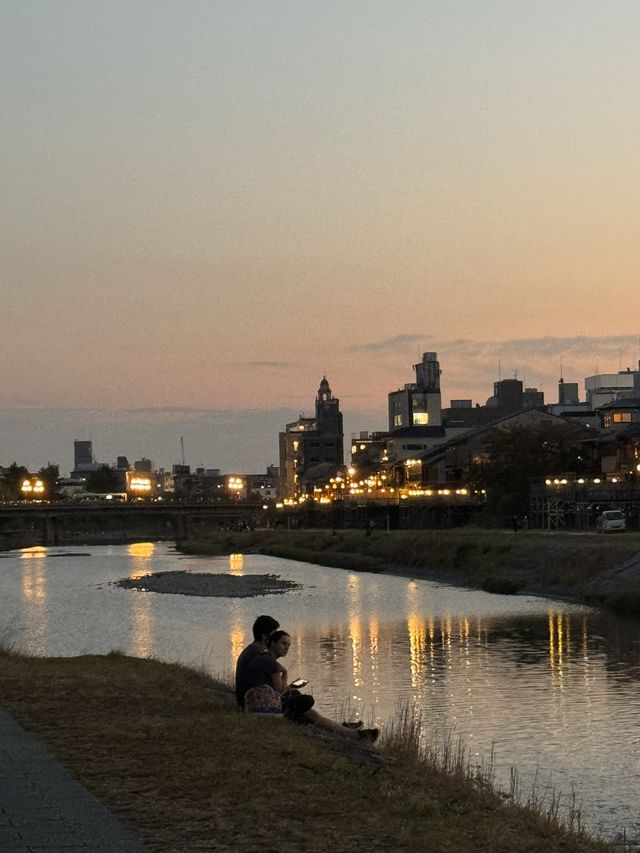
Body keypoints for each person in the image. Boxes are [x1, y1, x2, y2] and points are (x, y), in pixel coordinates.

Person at [244, 629, 379, 742]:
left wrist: (290, 687)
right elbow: (279, 692)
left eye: (289, 645)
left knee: (301, 706)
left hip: (255, 703)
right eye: (283, 643)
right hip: (263, 707)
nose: (286, 648)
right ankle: (348, 732)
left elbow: (275, 690)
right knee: (307, 701)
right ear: (272, 643)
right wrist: (284, 674)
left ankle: (344, 731)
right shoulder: (271, 663)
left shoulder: (264, 658)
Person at [235, 614, 280, 708]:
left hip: (244, 700)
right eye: (273, 636)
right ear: (264, 637)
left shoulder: (248, 651)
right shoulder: (262, 656)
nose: (275, 639)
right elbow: (278, 690)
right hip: (255, 703)